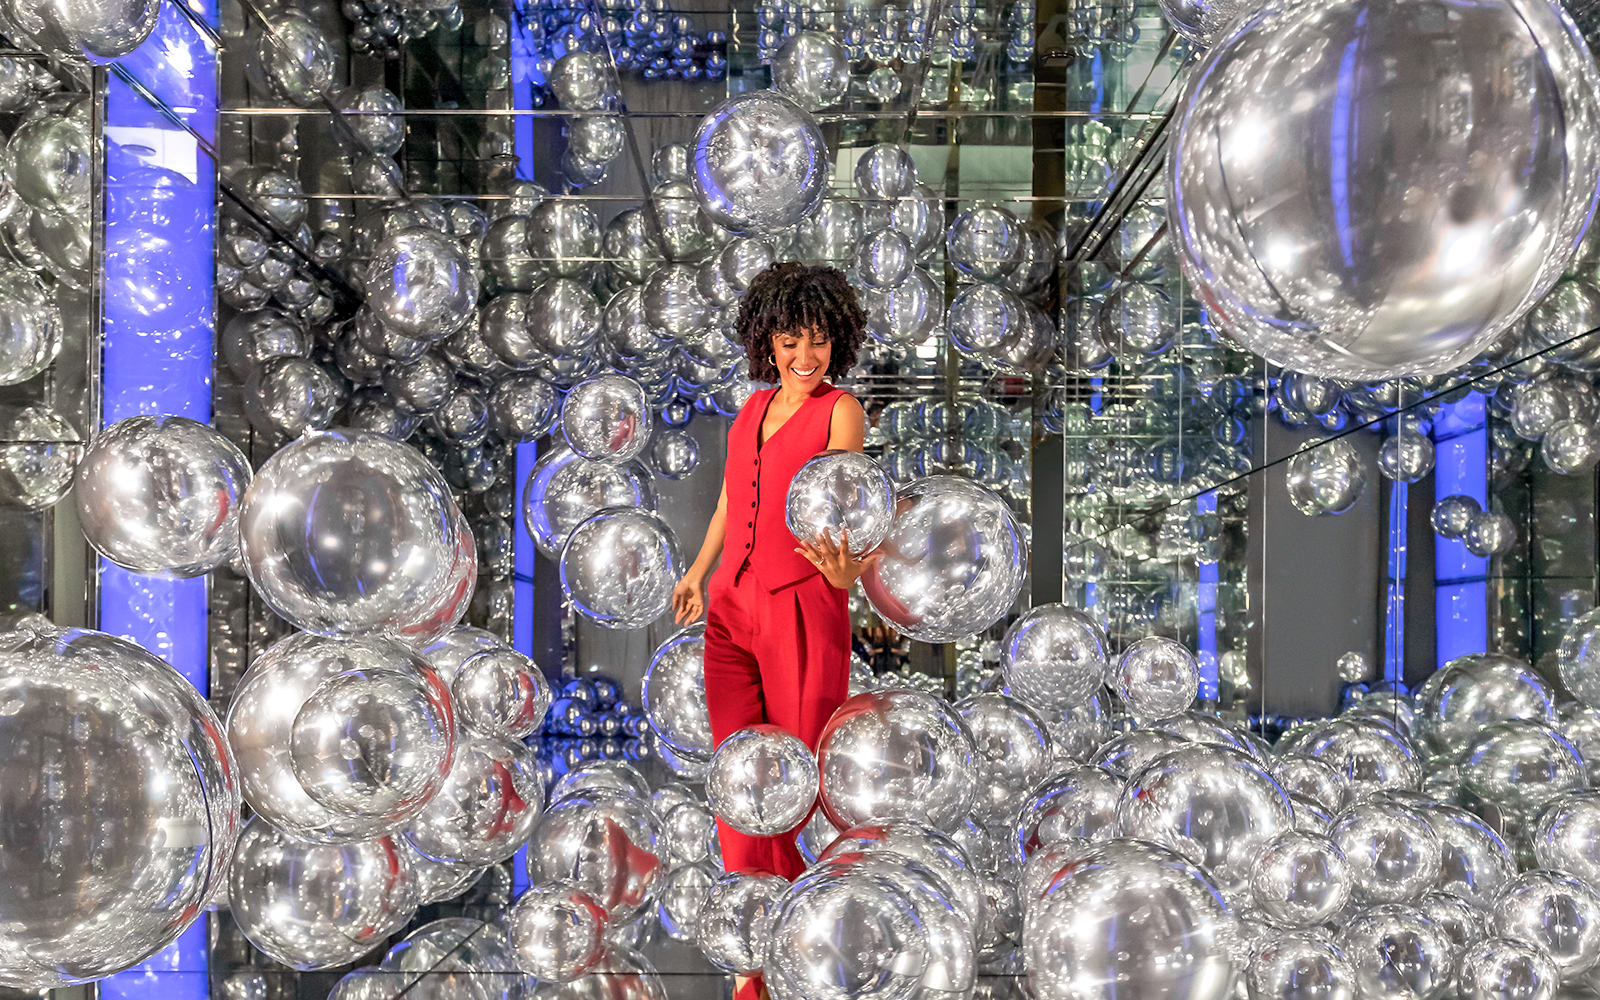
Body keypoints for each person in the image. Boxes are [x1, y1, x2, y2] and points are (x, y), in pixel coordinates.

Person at [671, 261, 879, 886]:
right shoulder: (751, 410)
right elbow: (731, 502)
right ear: (769, 342)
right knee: (737, 774)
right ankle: (749, 955)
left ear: (837, 339)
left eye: (819, 338)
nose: (806, 354)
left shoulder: (842, 410)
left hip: (803, 607)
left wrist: (848, 581)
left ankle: (795, 929)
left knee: (797, 782)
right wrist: (698, 571)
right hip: (731, 606)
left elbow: (849, 507)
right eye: (792, 341)